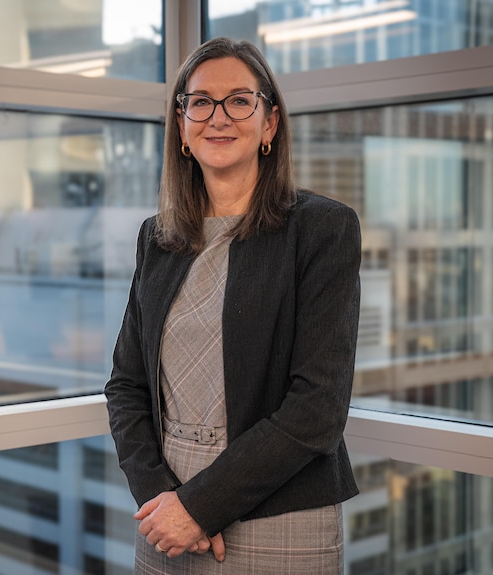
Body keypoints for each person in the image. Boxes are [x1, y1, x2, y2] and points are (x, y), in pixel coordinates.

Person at [104, 37, 361, 573]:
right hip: (165, 516)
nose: (218, 117)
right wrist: (160, 499)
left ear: (269, 123)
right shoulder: (157, 238)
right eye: (200, 102)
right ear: (182, 126)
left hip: (279, 515)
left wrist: (202, 506)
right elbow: (126, 385)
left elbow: (317, 409)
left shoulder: (321, 229)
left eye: (239, 100)